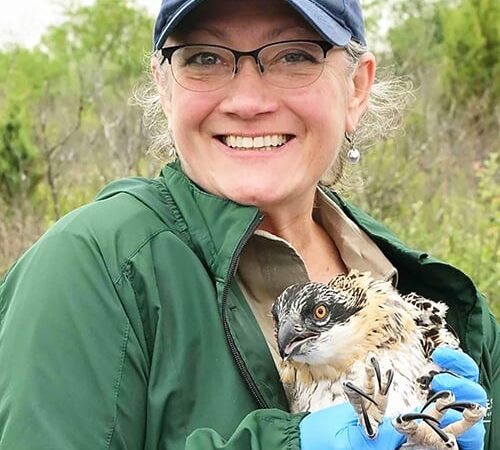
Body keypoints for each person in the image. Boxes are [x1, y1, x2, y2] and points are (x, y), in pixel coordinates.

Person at [0, 0, 497, 449]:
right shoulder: (91, 269)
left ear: (357, 87)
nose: (247, 101)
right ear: (164, 87)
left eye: (294, 56)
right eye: (205, 58)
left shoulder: (432, 294)